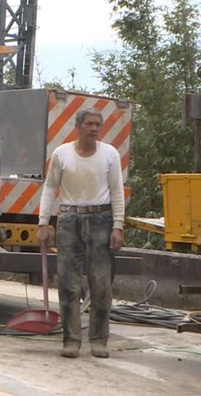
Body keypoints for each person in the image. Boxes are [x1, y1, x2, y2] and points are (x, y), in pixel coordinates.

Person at [37, 107, 125, 359]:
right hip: (69, 220)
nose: (94, 128)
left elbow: (117, 191)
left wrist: (117, 226)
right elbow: (49, 187)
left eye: (98, 124)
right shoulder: (61, 154)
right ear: (78, 126)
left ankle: (98, 340)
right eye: (89, 123)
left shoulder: (110, 154)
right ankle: (72, 340)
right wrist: (44, 222)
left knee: (100, 284)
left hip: (101, 219)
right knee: (68, 283)